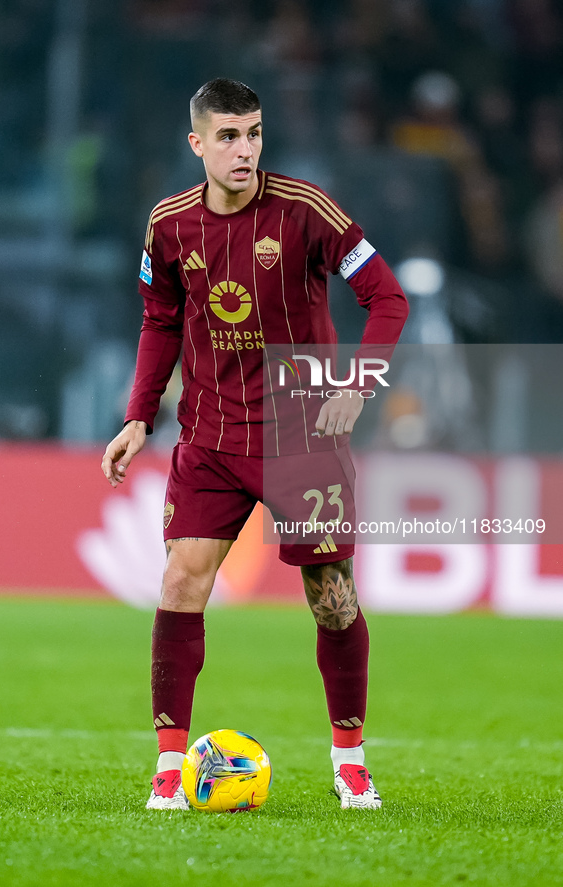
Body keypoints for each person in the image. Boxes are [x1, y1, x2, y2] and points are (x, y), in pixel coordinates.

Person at [101, 78, 409, 811]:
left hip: (303, 436)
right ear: (198, 143)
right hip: (209, 434)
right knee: (181, 582)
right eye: (230, 136)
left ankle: (350, 760)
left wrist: (356, 386)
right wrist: (139, 415)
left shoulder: (306, 211)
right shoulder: (169, 225)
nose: (246, 150)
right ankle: (169, 771)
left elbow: (387, 298)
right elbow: (159, 320)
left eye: (255, 133)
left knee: (331, 599)